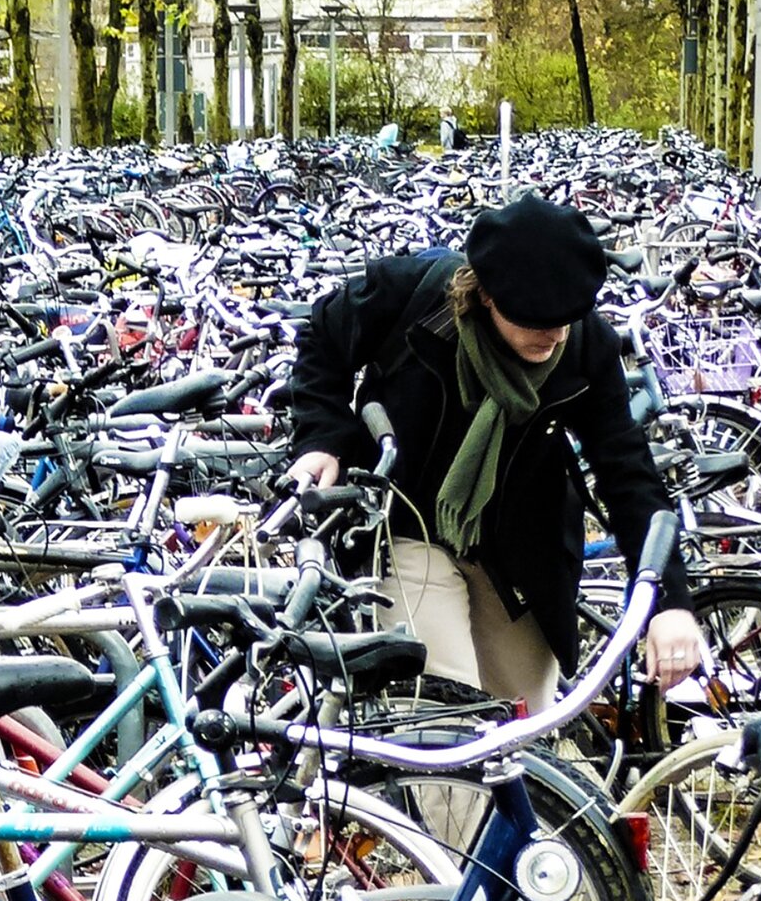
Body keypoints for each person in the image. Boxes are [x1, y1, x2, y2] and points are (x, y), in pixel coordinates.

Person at [286, 193, 703, 711]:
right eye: (533, 318)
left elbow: (628, 473)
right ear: (486, 296)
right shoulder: (413, 295)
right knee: (447, 719)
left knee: (523, 727)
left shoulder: (583, 346)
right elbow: (322, 337)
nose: (552, 335)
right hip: (407, 526)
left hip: (520, 553)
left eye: (565, 318)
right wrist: (323, 439)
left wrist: (669, 602)